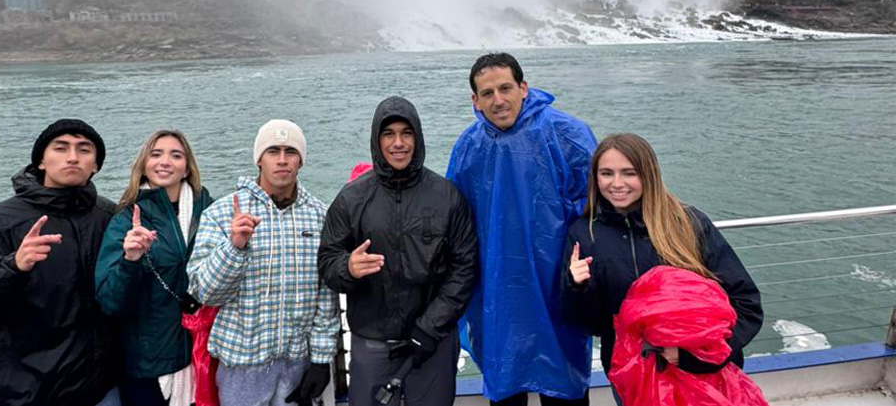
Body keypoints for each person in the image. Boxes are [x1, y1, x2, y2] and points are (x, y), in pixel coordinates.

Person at [562, 133, 763, 405]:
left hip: (704, 376)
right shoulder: (584, 234)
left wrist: (698, 356)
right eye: (607, 173)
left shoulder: (688, 223)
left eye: (629, 173)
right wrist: (579, 288)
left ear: (648, 174)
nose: (617, 183)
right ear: (595, 178)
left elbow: (746, 302)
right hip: (632, 378)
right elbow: (592, 325)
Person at [446, 52, 596, 405]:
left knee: (564, 386)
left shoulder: (566, 133)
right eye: (487, 93)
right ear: (475, 100)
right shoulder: (468, 147)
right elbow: (451, 220)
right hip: (498, 292)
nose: (498, 100)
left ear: (524, 88)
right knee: (506, 383)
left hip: (558, 285)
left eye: (505, 88)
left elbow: (597, 206)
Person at [0, 119, 120, 406]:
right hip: (25, 394)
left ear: (96, 165)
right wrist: (12, 267)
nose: (73, 157)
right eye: (61, 148)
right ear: (41, 161)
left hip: (101, 389)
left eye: (84, 150)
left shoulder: (109, 217)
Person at [319, 96, 478, 406]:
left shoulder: (447, 197)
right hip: (372, 345)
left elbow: (465, 267)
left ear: (417, 138)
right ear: (376, 140)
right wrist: (347, 268)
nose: (398, 143)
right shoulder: (351, 199)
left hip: (433, 344)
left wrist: (430, 327)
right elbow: (327, 262)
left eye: (407, 133)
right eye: (388, 134)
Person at [187, 119, 340, 406]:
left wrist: (320, 360)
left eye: (290, 151)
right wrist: (233, 247)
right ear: (259, 159)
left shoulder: (321, 215)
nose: (282, 160)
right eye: (273, 151)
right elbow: (204, 291)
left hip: (297, 363)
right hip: (241, 366)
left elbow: (326, 295)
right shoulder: (221, 213)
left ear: (301, 160)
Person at [95, 130, 214, 406]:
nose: (165, 162)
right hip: (148, 360)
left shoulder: (209, 210)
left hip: (203, 352)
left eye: (176, 155)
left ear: (187, 168)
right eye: (156, 154)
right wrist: (130, 260)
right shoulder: (126, 220)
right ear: (144, 164)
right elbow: (110, 301)